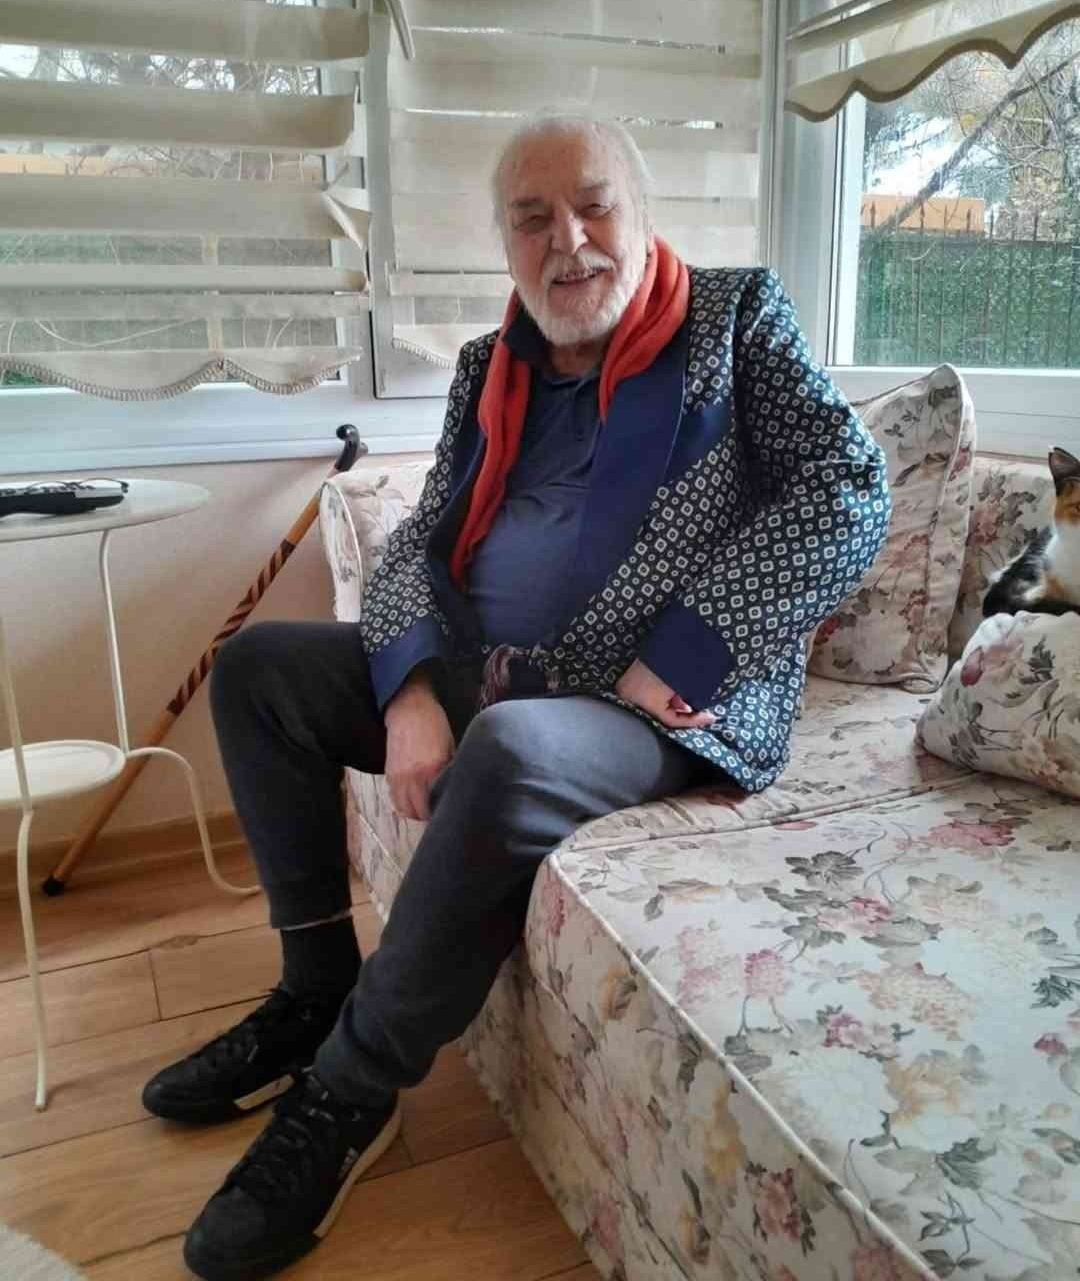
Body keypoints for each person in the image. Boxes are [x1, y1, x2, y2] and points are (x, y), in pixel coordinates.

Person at [143, 111, 891, 1281]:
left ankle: (349, 1089)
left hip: (651, 701)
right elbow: (423, 536)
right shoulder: (492, 366)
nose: (568, 240)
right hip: (491, 664)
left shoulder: (737, 321)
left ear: (640, 215)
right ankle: (313, 988)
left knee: (509, 746)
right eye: (533, 218)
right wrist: (406, 687)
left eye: (593, 206)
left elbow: (848, 488)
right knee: (262, 671)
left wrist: (691, 650)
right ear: (505, 243)